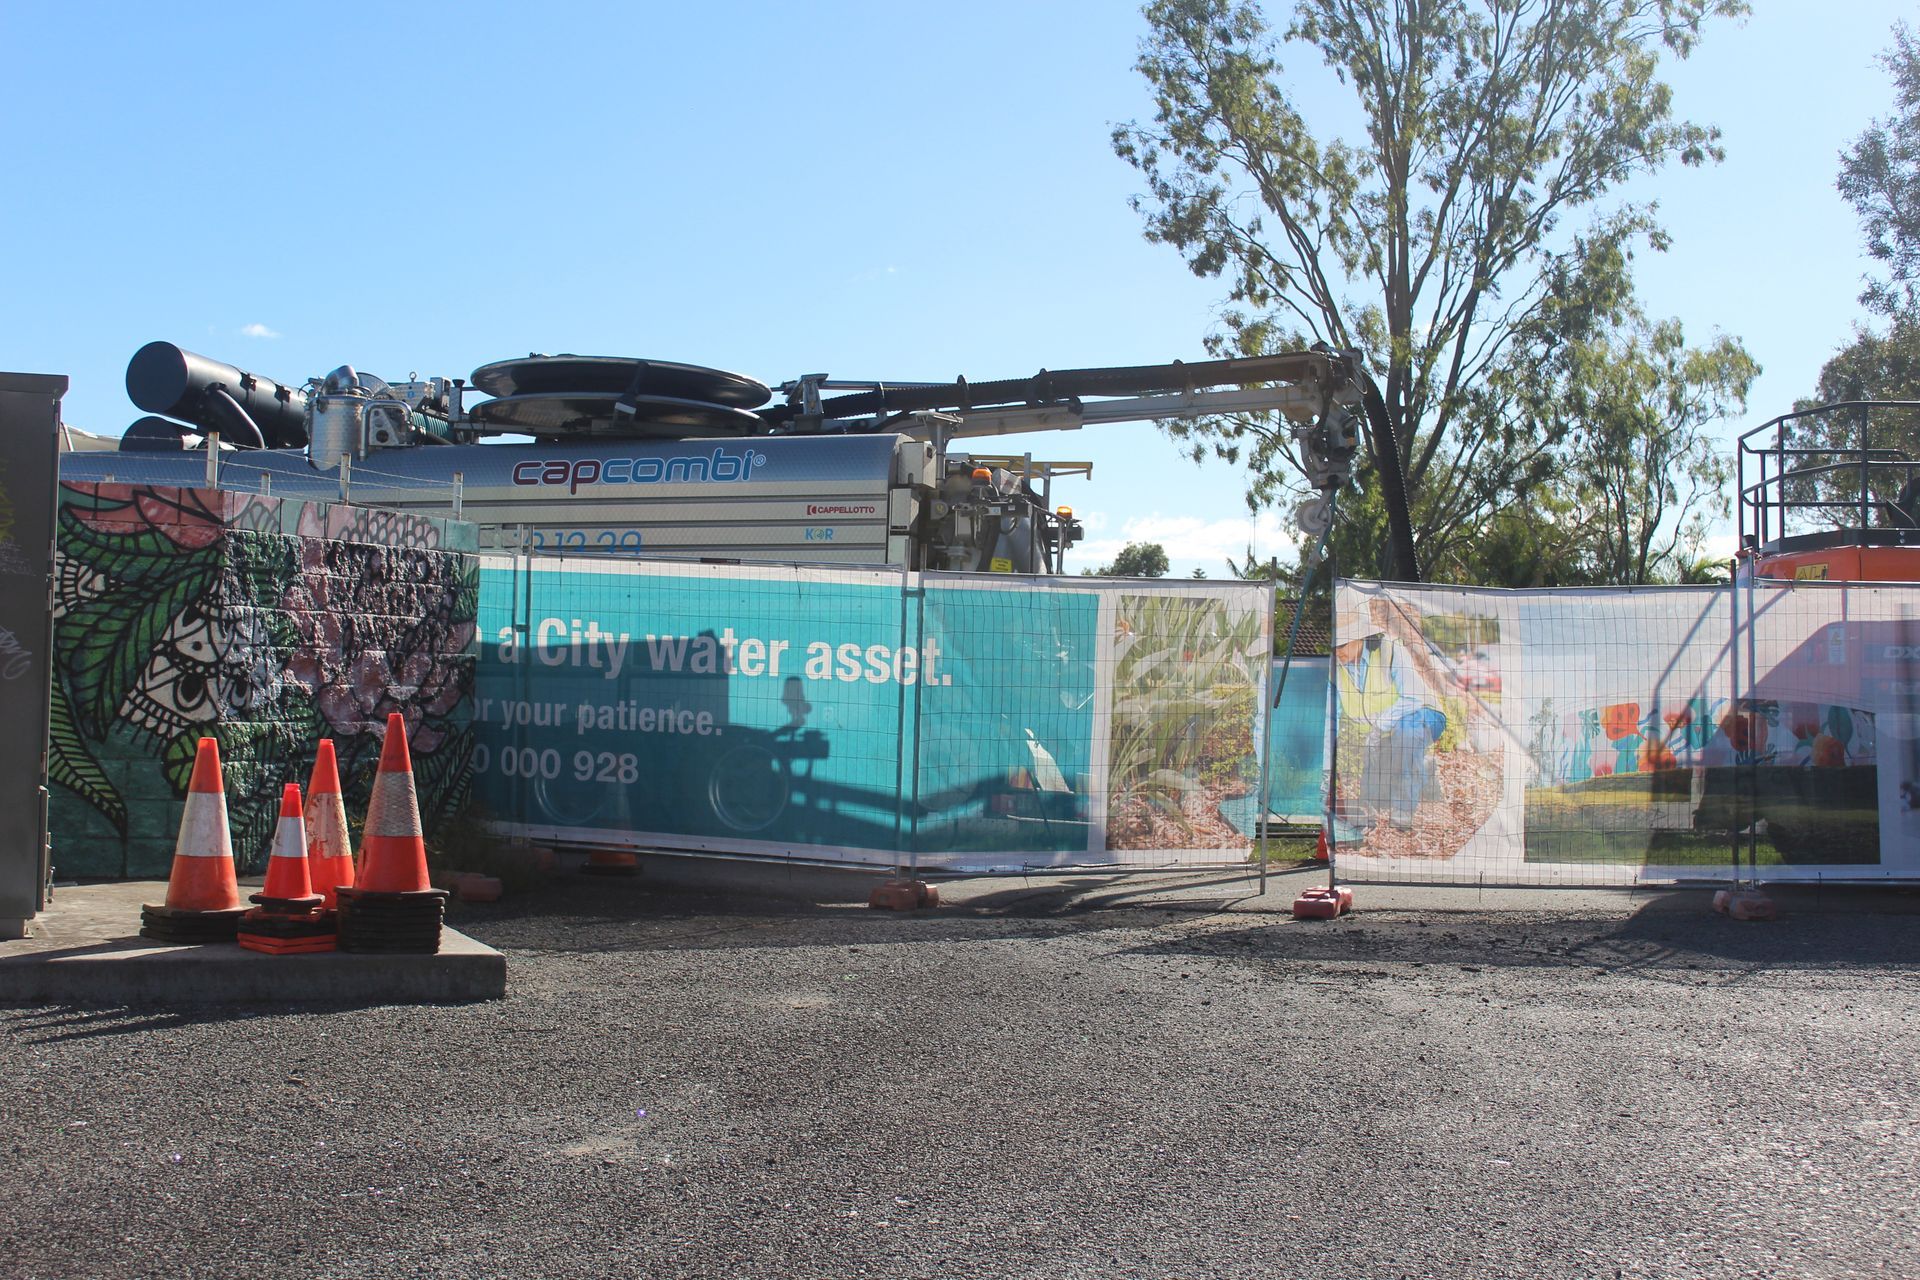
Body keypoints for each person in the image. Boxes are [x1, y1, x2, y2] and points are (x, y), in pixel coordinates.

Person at [1333, 608, 1447, 833]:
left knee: (1406, 735)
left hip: (1423, 714)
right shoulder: (1336, 669)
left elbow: (1413, 698)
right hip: (1384, 730)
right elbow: (1333, 716)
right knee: (1374, 797)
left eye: (1342, 645)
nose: (1338, 652)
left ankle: (1403, 811)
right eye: (1334, 647)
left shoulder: (1391, 650)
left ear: (1360, 637)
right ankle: (1425, 769)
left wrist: (1378, 726)